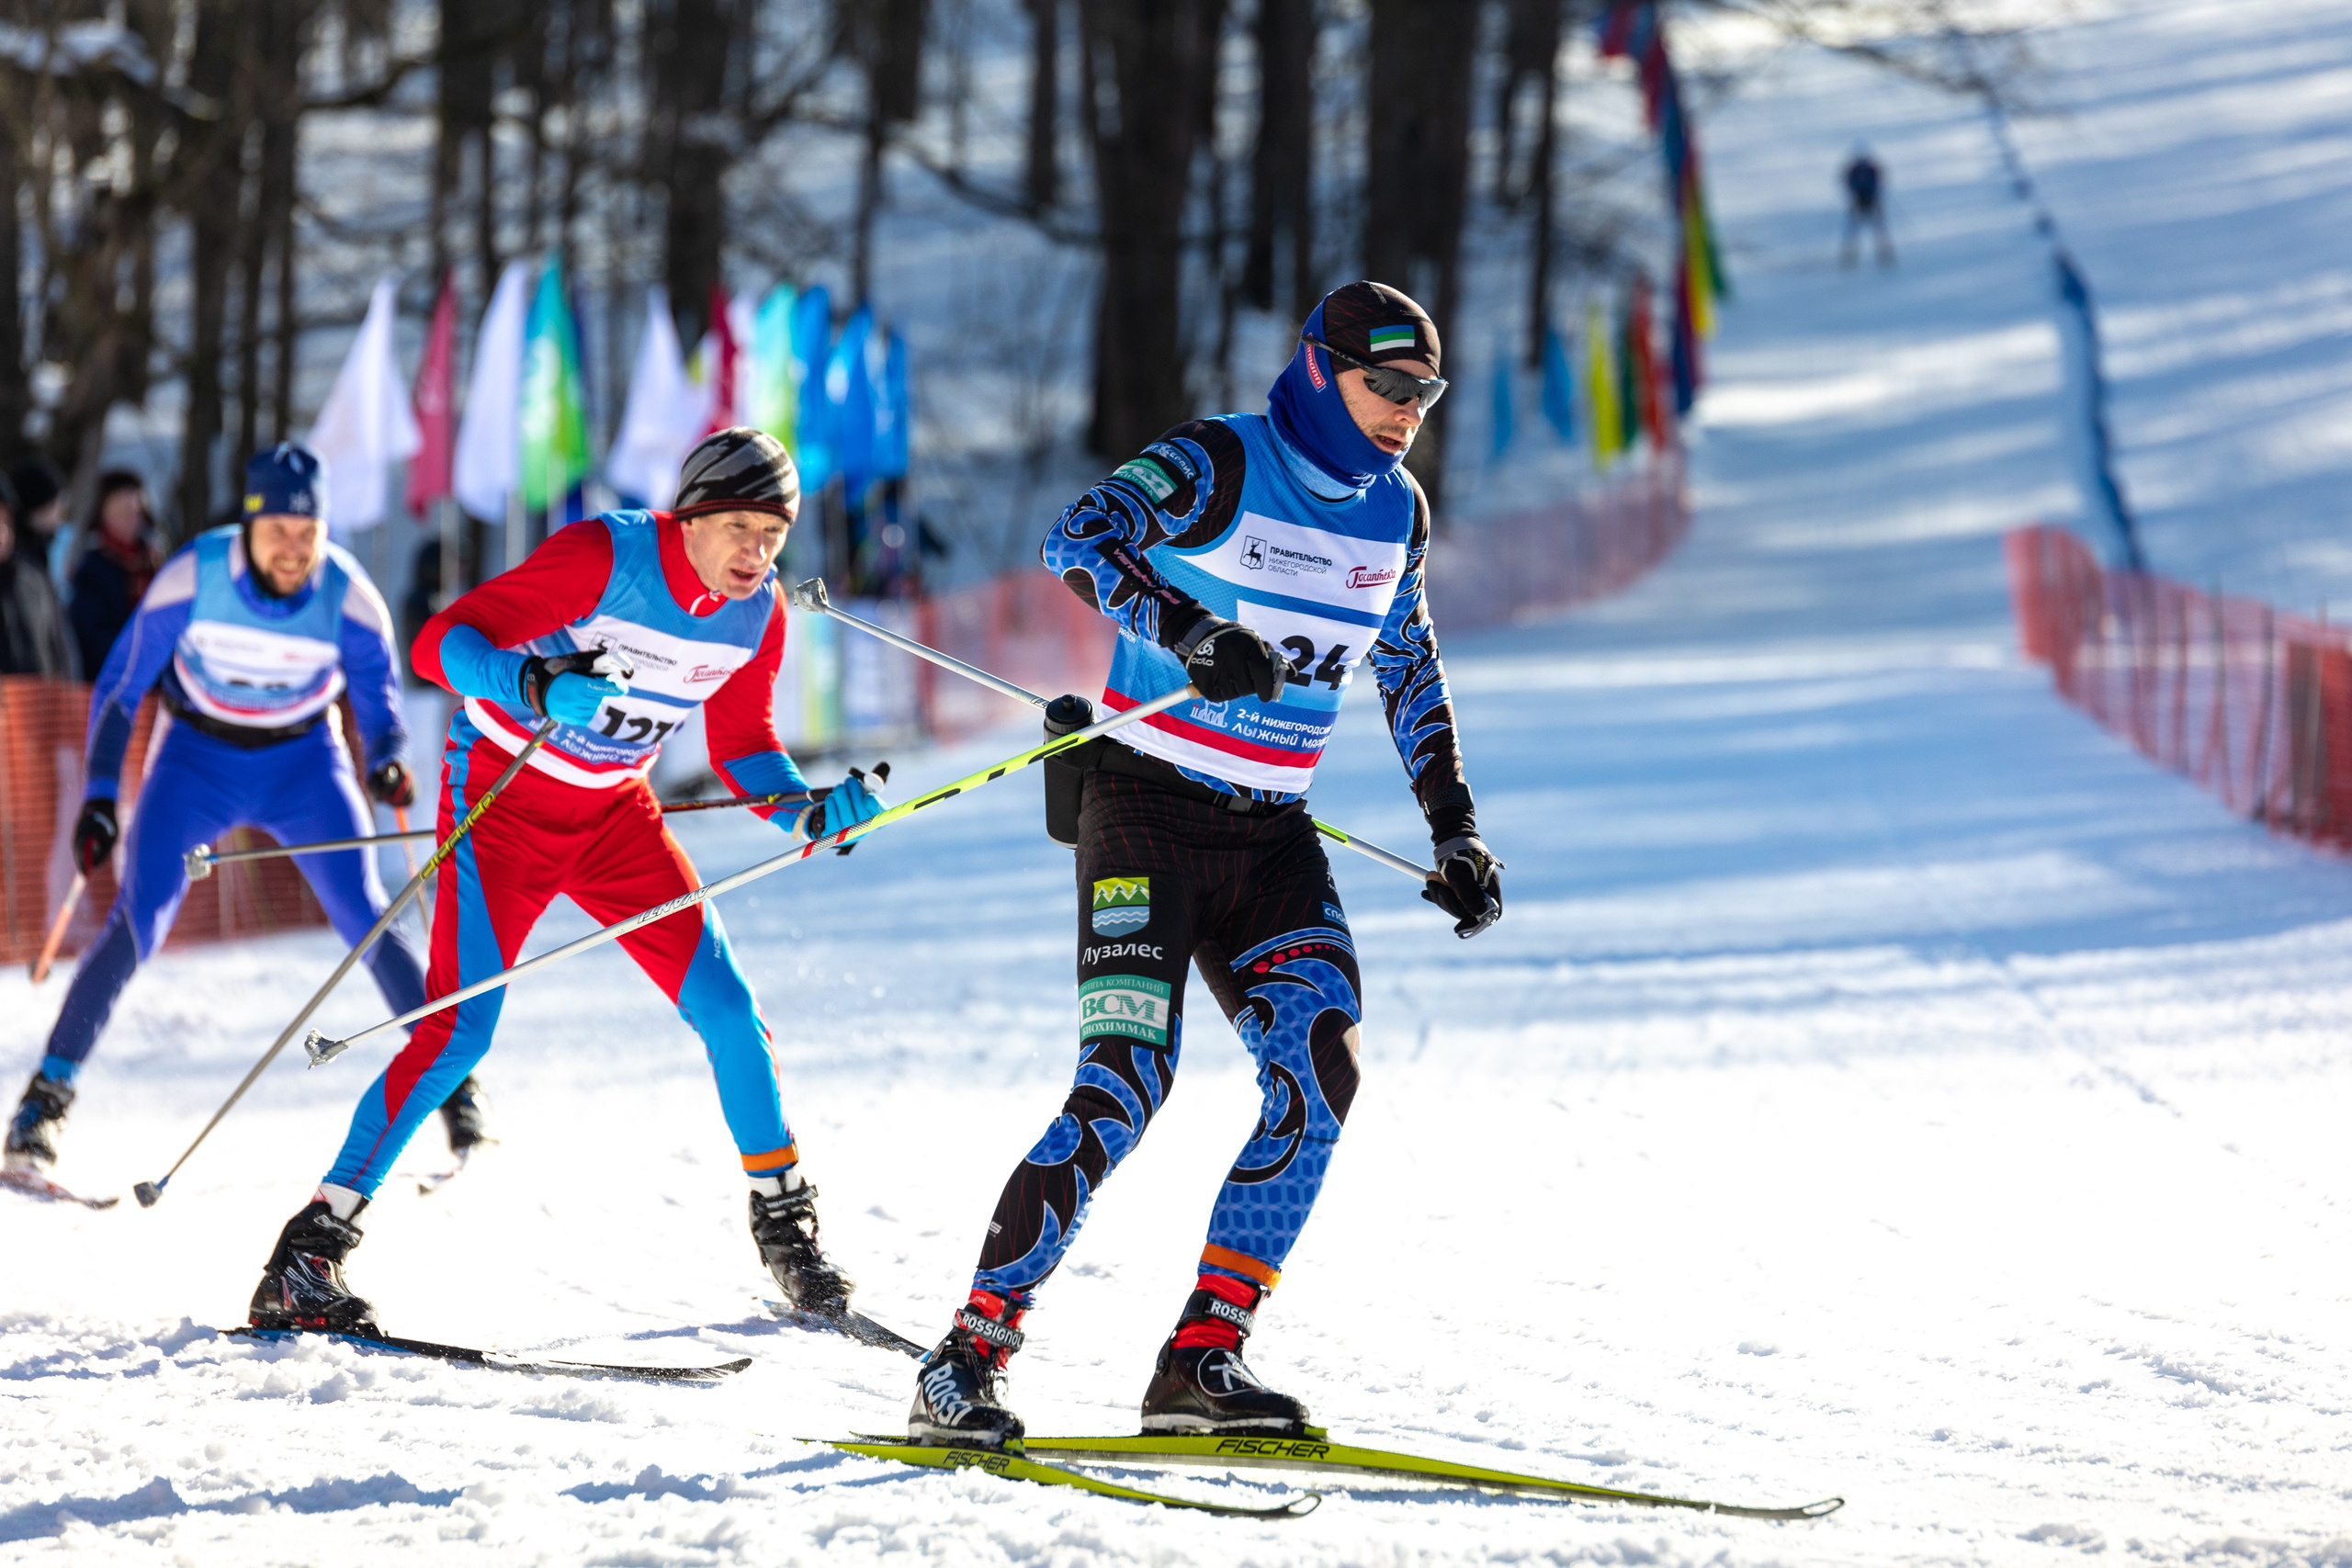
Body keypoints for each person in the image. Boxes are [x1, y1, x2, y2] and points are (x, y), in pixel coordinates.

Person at [907, 281, 1505, 1446]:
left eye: (1425, 393)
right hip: (1144, 809)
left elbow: (1409, 667)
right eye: (1388, 386)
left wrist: (1456, 829)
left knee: (1320, 1074)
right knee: (1125, 1087)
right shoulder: (1220, 462)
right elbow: (1077, 539)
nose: (1406, 412)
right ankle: (964, 1358)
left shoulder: (1399, 513)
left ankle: (1202, 1358)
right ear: (1322, 370)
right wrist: (1186, 630)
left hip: (1272, 836)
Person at [247, 428, 888, 1335]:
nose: (757, 553)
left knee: (729, 1009)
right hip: (500, 801)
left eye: (773, 535)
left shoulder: (760, 613)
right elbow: (440, 644)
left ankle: (786, 1230)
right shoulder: (604, 556)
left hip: (615, 817)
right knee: (460, 1033)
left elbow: (743, 747)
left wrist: (806, 810)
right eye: (740, 528)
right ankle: (305, 1259)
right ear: (692, 517)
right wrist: (536, 683)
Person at [3, 445, 488, 1174]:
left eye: (308, 532)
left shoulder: (349, 594)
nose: (294, 549)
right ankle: (45, 1100)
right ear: (250, 524)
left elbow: (378, 697)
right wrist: (101, 795)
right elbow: (121, 684)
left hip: (305, 764)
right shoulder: (195, 575)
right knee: (141, 920)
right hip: (198, 759)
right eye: (279, 531)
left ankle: (456, 1088)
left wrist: (387, 757)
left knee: (366, 912)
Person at [68, 469, 163, 682]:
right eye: (120, 511)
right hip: (111, 681)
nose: (129, 518)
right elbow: (91, 636)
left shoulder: (155, 562)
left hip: (158, 682)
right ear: (103, 514)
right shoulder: (92, 569)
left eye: (133, 511)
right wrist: (138, 660)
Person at [0, 471, 75, 677]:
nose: (3, 532)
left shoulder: (31, 578)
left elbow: (56, 648)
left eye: (6, 521)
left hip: (39, 702)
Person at [8, 455, 69, 581]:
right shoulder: (14, 558)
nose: (62, 508)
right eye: (57, 500)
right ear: (41, 506)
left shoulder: (40, 546)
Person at [1841, 146, 1894, 268]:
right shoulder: (1867, 169)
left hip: (1867, 201)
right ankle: (1850, 257)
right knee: (1860, 230)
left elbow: (1849, 183)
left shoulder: (1861, 170)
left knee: (1873, 229)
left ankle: (1883, 255)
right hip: (1864, 201)